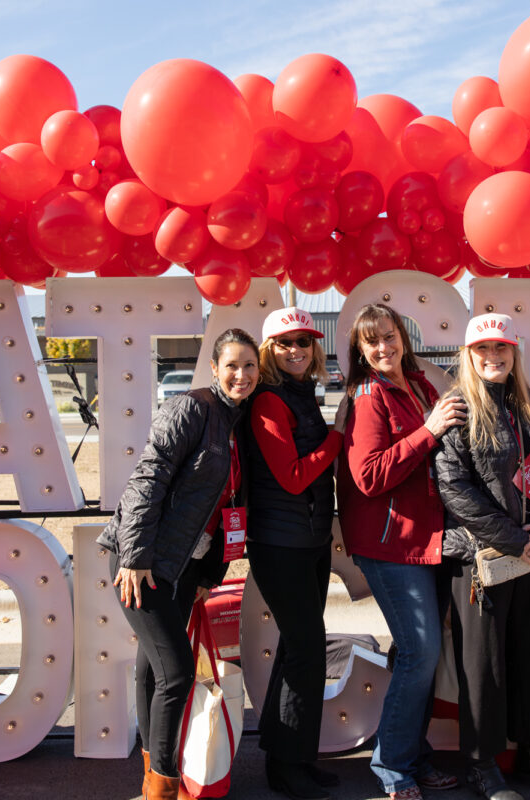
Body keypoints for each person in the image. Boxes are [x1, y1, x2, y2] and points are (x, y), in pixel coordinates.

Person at [97, 328, 259, 800]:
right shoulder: (193, 409)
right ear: (214, 367)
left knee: (152, 668)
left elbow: (229, 506)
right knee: (177, 673)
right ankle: (163, 790)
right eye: (232, 365)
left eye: (250, 366)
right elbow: (147, 480)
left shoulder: (238, 423)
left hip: (187, 568)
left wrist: (210, 575)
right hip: (144, 562)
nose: (241, 375)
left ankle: (153, 777)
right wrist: (134, 556)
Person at [434, 313, 530, 800]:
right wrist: (516, 538)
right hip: (478, 561)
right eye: (483, 350)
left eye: (501, 349)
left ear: (514, 352)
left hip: (528, 554)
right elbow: (453, 490)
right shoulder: (456, 407)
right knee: (485, 666)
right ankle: (482, 767)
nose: (493, 357)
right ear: (468, 354)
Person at [337, 302, 467, 800]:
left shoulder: (422, 386)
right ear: (361, 350)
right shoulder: (370, 396)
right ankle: (391, 765)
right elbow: (368, 476)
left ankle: (411, 753)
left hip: (426, 540)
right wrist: (429, 430)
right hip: (390, 544)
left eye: (389, 336)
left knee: (419, 655)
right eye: (372, 342)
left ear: (403, 337)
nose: (383, 348)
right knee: (420, 652)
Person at [246, 307, 345, 800]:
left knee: (296, 650)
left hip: (308, 540)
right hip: (279, 544)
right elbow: (293, 476)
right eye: (284, 344)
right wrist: (336, 440)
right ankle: (285, 767)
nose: (295, 351)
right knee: (307, 651)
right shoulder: (268, 398)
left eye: (303, 343)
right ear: (268, 350)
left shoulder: (302, 393)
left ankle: (293, 757)